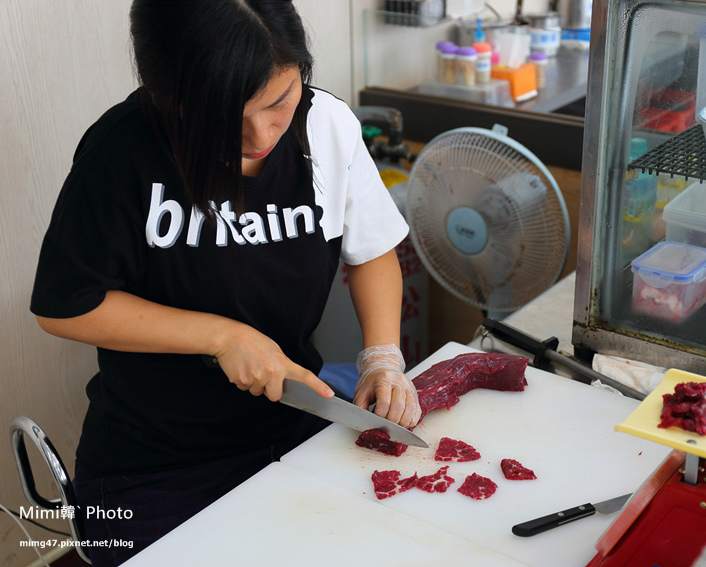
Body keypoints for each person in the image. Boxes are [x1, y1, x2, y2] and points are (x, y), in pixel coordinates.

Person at [29, 1, 421, 565]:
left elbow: (372, 250)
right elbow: (64, 305)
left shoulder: (327, 124)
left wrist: (383, 356)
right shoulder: (122, 152)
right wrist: (220, 336)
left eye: (279, 102)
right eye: (227, 120)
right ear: (170, 97)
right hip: (151, 469)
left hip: (293, 426)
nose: (260, 134)